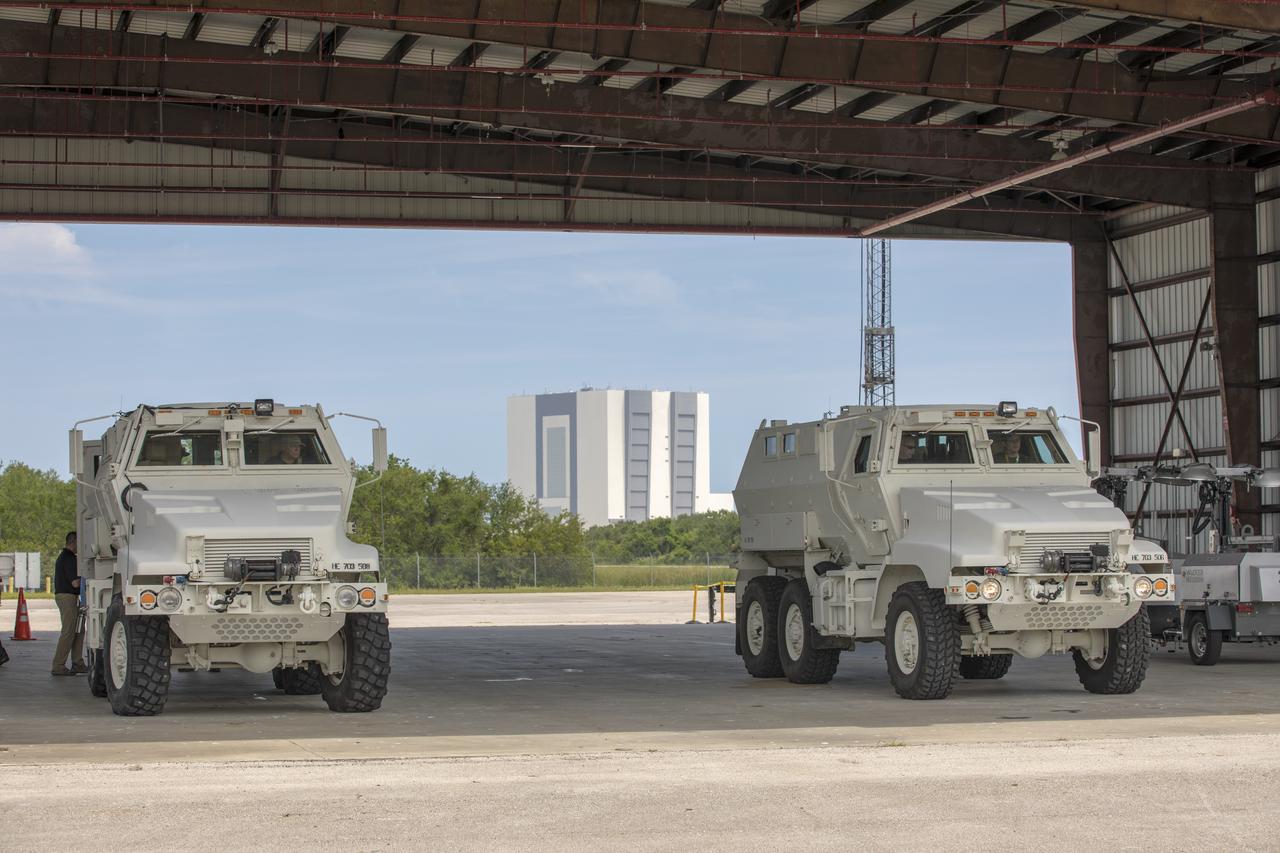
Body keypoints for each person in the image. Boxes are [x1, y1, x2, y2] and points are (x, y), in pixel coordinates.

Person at [52, 531, 85, 676]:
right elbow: (75, 583)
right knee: (69, 632)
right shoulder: (69, 558)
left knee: (78, 631)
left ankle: (78, 663)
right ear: (74, 542)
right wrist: (86, 580)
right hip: (67, 597)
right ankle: (58, 665)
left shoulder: (64, 557)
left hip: (68, 597)